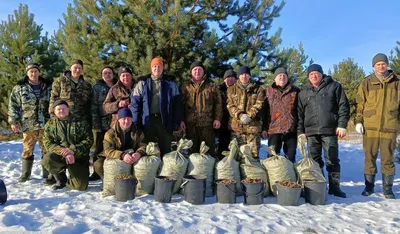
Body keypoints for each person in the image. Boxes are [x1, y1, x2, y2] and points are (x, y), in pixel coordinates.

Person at [297, 64, 350, 198]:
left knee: (332, 159)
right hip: (311, 132)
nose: (314, 76)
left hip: (330, 130)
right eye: (311, 74)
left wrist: (342, 125)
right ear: (308, 77)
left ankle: (335, 187)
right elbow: (299, 114)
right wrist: (300, 132)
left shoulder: (334, 87)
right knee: (314, 161)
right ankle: (319, 186)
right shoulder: (303, 92)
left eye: (317, 73)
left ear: (322, 74)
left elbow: (343, 106)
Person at [355, 53, 398, 199]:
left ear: (387, 65)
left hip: (389, 127)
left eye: (383, 64)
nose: (381, 66)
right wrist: (358, 121)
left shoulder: (397, 82)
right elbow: (360, 104)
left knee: (388, 158)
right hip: (370, 127)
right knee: (369, 157)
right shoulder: (367, 82)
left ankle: (388, 188)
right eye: (378, 64)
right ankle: (369, 187)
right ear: (373, 66)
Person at [8, 63, 53, 183]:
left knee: (47, 149)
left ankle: (47, 173)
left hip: (45, 123)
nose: (34, 73)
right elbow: (13, 105)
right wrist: (14, 121)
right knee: (27, 149)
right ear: (27, 73)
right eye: (31, 71)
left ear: (39, 72)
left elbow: (54, 103)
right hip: (28, 124)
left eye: (36, 71)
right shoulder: (20, 88)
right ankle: (26, 174)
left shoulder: (48, 86)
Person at [131, 57, 182, 156]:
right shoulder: (142, 83)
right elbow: (135, 105)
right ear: (151, 68)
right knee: (148, 149)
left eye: (159, 67)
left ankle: (165, 171)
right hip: (147, 121)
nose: (157, 69)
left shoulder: (170, 83)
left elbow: (177, 105)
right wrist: (136, 123)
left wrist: (176, 122)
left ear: (162, 68)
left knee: (166, 150)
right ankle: (150, 170)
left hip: (165, 122)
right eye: (154, 66)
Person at [42, 100, 92, 191]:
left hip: (78, 157)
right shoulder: (50, 124)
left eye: (63, 108)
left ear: (68, 109)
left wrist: (72, 150)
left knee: (80, 186)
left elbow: (89, 140)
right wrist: (64, 152)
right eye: (58, 109)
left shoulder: (80, 121)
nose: (61, 111)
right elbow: (47, 142)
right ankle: (60, 178)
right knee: (47, 159)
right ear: (54, 111)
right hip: (60, 155)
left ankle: (74, 176)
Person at [180, 61, 222, 157]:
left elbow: (218, 103)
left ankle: (207, 171)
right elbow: (180, 104)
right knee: (191, 150)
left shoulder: (211, 85)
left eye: (200, 69)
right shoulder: (185, 86)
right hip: (190, 124)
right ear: (191, 72)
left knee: (208, 150)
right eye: (195, 69)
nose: (197, 71)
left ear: (204, 72)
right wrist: (181, 120)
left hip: (207, 124)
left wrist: (217, 118)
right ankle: (193, 171)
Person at [227, 66, 265, 158]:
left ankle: (253, 172)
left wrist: (249, 115)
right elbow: (230, 105)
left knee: (253, 156)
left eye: (246, 74)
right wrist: (239, 115)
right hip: (237, 129)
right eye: (241, 74)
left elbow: (260, 104)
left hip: (252, 129)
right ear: (238, 76)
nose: (244, 76)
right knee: (236, 156)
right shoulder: (231, 89)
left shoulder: (258, 89)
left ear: (250, 76)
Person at [262, 68, 299, 163]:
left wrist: (300, 129)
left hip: (291, 129)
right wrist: (264, 128)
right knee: (272, 156)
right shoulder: (268, 91)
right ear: (275, 78)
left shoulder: (295, 91)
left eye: (284, 75)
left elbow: (300, 110)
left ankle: (290, 177)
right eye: (279, 76)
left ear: (287, 78)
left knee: (290, 157)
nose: (282, 77)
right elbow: (264, 111)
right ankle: (273, 176)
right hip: (274, 129)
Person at [90, 66, 117, 181]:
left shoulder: (117, 86)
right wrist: (95, 123)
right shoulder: (97, 87)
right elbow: (94, 106)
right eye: (105, 73)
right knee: (98, 147)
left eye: (109, 72)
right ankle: (96, 172)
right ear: (102, 76)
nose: (107, 75)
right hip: (101, 122)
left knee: (114, 145)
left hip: (116, 122)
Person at [217, 69, 237, 159]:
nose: (230, 79)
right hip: (222, 123)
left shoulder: (238, 90)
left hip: (235, 123)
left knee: (234, 146)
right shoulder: (218, 90)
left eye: (233, 77)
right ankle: (221, 165)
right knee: (222, 145)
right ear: (224, 79)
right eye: (228, 77)